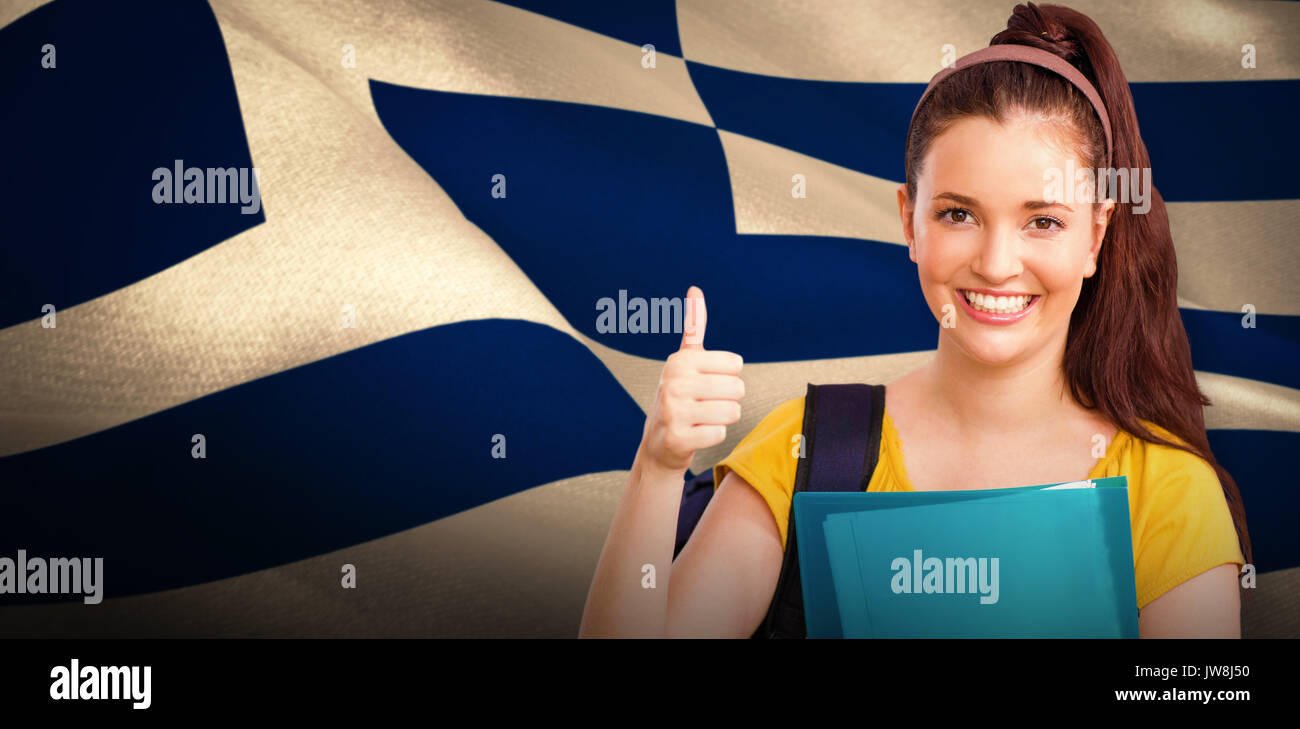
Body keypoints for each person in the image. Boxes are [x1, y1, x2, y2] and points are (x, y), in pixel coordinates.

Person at [579, 2, 1250, 638]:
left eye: (1042, 221)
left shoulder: (1166, 489)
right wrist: (659, 467)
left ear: (1096, 238)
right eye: (958, 214)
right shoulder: (807, 451)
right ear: (909, 220)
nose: (995, 264)